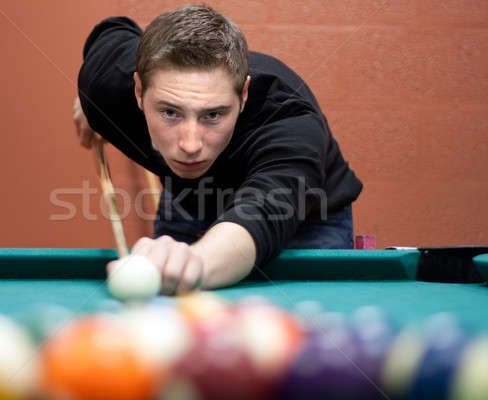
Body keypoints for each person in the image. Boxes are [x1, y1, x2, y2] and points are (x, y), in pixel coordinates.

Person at [73, 5, 362, 294]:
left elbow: (261, 216)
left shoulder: (289, 120)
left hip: (301, 221)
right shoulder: (104, 84)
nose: (190, 145)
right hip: (187, 197)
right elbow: (112, 29)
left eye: (213, 115)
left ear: (244, 95)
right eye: (170, 113)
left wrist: (193, 264)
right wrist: (92, 105)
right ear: (137, 90)